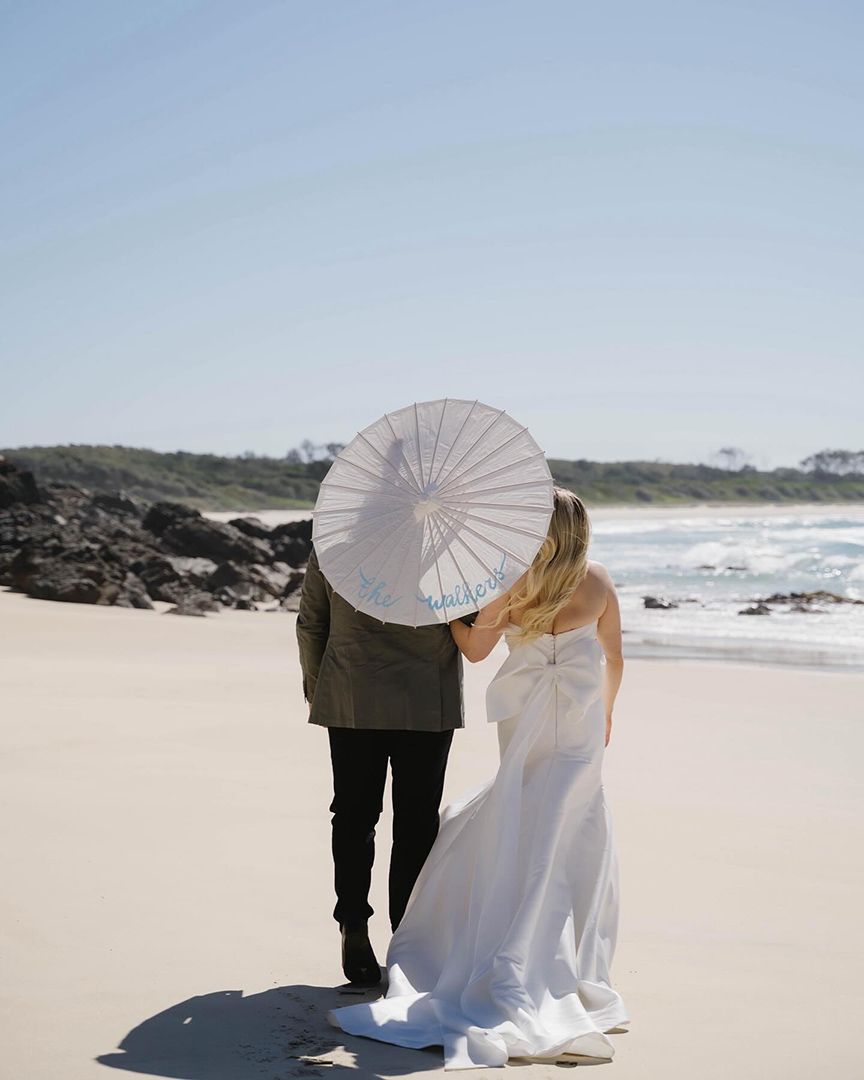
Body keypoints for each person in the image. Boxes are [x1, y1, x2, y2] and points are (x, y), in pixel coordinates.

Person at [328, 486, 630, 1068]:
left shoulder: (511, 582)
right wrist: (609, 709)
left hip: (527, 723)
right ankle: (573, 964)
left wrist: (450, 612)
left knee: (521, 815)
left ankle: (509, 944)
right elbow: (614, 655)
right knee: (572, 829)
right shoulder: (597, 580)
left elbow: (472, 650)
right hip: (583, 724)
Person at [296, 545, 475, 988]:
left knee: (354, 815)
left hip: (351, 693)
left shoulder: (336, 545)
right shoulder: (452, 549)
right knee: (416, 823)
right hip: (427, 700)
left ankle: (353, 925)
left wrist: (321, 688)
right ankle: (407, 939)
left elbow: (311, 623)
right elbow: (468, 626)